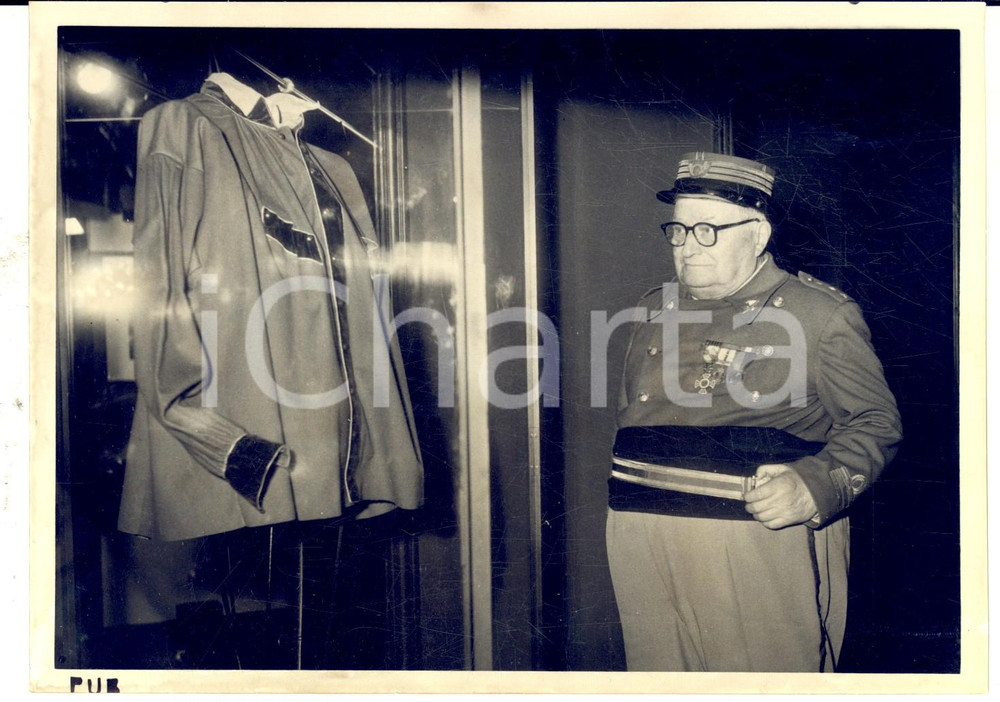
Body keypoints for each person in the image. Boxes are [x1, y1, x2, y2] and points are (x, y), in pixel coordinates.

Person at [606, 152, 902, 672]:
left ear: (759, 234)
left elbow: (877, 424)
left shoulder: (819, 315)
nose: (687, 247)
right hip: (639, 535)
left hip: (749, 541)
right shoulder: (653, 307)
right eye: (677, 229)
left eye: (708, 230)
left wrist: (817, 484)